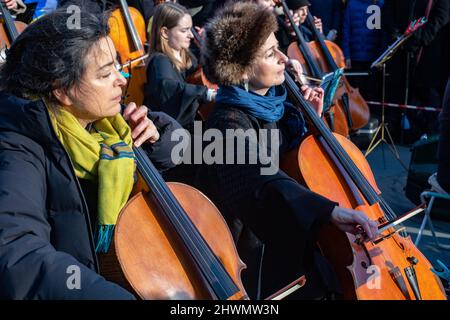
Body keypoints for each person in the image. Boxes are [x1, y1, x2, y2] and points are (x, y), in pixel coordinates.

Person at [198, 1, 378, 299]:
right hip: (259, 260)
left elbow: (295, 166)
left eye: (278, 47)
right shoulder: (226, 123)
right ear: (241, 69)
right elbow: (261, 180)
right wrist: (328, 211)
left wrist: (313, 124)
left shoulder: (279, 106)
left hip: (296, 241)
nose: (284, 58)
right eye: (270, 54)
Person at [0, 9, 182, 299]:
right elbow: (18, 253)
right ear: (62, 91)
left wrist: (158, 139)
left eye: (118, 66)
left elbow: (178, 142)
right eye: (105, 73)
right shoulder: (18, 148)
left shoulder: (108, 123)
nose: (122, 79)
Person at [144, 2, 216, 131]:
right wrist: (207, 94)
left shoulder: (186, 54)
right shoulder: (159, 61)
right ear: (165, 32)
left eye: (190, 28)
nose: (191, 35)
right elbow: (170, 89)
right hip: (173, 132)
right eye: (184, 30)